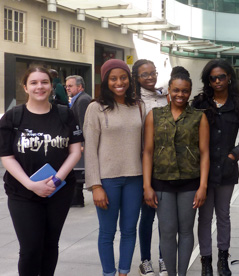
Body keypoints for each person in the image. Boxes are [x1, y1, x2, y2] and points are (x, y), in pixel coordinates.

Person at [0, 66, 83, 275]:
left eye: (44, 82)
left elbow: (75, 151)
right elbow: (6, 157)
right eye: (34, 83)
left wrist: (55, 181)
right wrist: (30, 184)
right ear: (25, 87)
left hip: (58, 192)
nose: (40, 87)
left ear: (51, 85)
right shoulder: (13, 117)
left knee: (50, 244)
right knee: (30, 249)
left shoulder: (64, 114)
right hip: (22, 193)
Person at [142, 68, 210, 276]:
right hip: (162, 182)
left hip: (190, 183)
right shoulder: (155, 115)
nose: (180, 95)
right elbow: (148, 151)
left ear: (190, 93)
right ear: (169, 90)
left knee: (186, 232)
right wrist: (147, 186)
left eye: (185, 91)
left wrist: (203, 186)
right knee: (168, 231)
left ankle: (182, 274)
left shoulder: (199, 117)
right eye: (176, 90)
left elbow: (205, 153)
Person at [84, 59, 145, 276]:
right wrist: (95, 185)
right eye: (113, 78)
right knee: (107, 233)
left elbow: (144, 147)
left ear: (129, 79)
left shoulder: (138, 106)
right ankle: (108, 273)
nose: (119, 82)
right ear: (105, 80)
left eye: (123, 77)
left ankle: (123, 272)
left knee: (129, 231)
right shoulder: (95, 108)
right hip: (107, 180)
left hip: (135, 179)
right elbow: (89, 149)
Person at [192, 59, 239, 276]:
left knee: (224, 215)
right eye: (213, 78)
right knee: (205, 217)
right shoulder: (200, 103)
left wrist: (233, 155)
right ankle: (206, 261)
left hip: (227, 169)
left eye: (221, 77)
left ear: (229, 78)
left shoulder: (237, 105)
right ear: (208, 80)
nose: (217, 81)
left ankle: (223, 260)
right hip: (203, 171)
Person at [131, 59, 168, 276]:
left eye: (153, 73)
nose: (151, 77)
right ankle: (145, 260)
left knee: (165, 216)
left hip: (165, 164)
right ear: (136, 77)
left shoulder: (165, 97)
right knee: (147, 215)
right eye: (145, 75)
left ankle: (164, 257)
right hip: (142, 164)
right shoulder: (133, 102)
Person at [65, 75, 91, 207]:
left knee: (78, 171)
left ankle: (77, 199)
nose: (67, 88)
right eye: (66, 86)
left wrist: (82, 143)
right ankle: (76, 199)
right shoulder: (78, 99)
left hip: (81, 143)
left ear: (80, 87)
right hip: (78, 142)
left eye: (70, 86)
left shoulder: (83, 100)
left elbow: (84, 124)